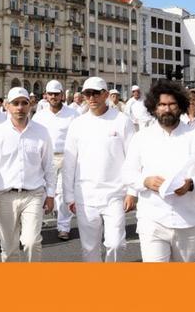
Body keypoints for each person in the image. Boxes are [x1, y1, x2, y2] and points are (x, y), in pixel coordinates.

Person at [123, 79, 195, 262]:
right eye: (162, 105)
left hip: (189, 220)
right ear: (153, 107)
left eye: (172, 104)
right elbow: (128, 173)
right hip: (152, 219)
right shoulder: (142, 137)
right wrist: (145, 181)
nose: (167, 109)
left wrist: (191, 184)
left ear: (181, 106)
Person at [62, 77, 134, 261]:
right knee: (89, 248)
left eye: (95, 93)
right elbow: (69, 163)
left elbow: (133, 159)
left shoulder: (122, 120)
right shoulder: (77, 124)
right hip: (85, 195)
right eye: (87, 93)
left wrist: (132, 192)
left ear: (106, 94)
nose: (91, 97)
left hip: (115, 194)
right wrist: (69, 196)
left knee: (116, 244)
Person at [0, 87, 55, 262]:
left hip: (33, 195)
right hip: (4, 196)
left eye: (24, 103)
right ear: (7, 106)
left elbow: (49, 166)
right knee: (8, 247)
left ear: (30, 105)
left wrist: (51, 195)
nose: (20, 107)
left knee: (31, 242)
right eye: (15, 103)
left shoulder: (41, 132)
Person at [33, 80, 80, 241]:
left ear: (62, 95)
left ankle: (63, 227)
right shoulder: (39, 116)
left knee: (62, 193)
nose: (53, 97)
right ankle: (35, 227)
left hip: (66, 157)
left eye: (56, 94)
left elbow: (78, 138)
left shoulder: (73, 114)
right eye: (50, 94)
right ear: (46, 95)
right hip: (45, 158)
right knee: (41, 192)